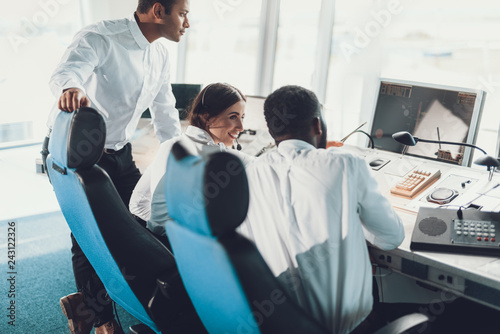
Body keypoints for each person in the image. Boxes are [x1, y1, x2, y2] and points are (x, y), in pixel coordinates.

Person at [46, 1, 190, 333]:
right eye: (183, 14)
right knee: (89, 237)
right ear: (158, 11)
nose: (186, 23)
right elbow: (68, 71)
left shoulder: (160, 54)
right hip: (78, 153)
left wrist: (180, 157)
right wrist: (72, 88)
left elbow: (165, 110)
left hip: (120, 155)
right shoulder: (102, 36)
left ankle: (84, 304)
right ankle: (103, 322)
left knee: (141, 226)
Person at [239, 85, 405, 334]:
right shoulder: (346, 165)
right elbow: (391, 237)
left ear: (272, 130)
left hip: (278, 321)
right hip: (343, 324)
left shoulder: (249, 173)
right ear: (318, 125)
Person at [130, 82, 253, 240]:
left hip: (166, 248)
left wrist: (169, 233)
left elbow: (137, 204)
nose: (241, 127)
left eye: (242, 117)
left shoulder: (169, 145)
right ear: (208, 117)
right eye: (233, 117)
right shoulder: (219, 159)